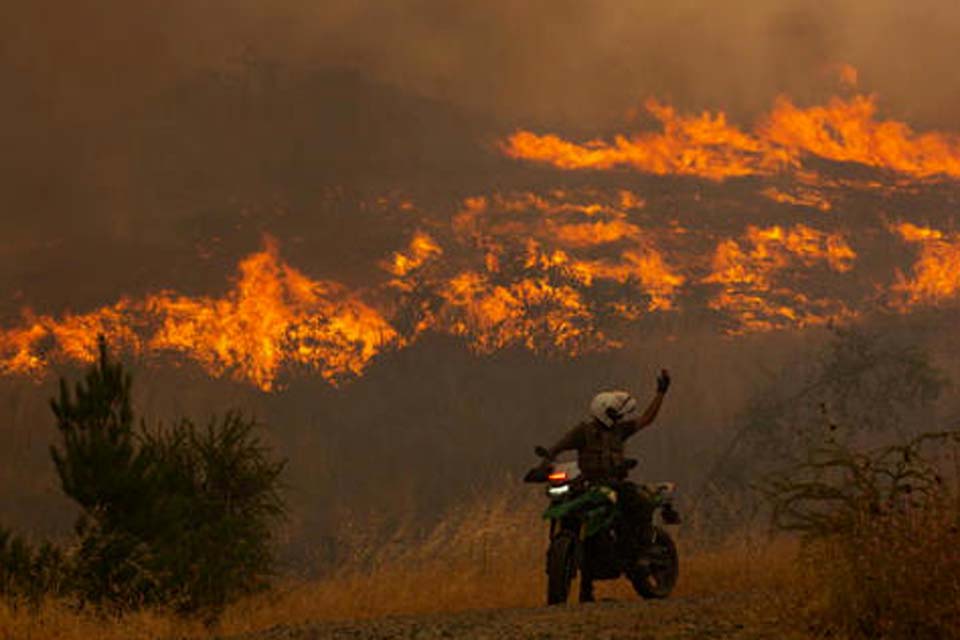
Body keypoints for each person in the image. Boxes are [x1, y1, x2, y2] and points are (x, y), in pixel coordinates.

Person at [542, 369, 671, 602]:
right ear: (604, 412)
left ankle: (642, 552)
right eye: (615, 413)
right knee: (576, 510)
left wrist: (660, 393)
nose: (618, 417)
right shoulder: (583, 431)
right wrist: (544, 463)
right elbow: (559, 446)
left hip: (616, 484)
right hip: (589, 484)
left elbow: (646, 420)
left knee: (638, 501)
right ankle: (585, 587)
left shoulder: (619, 430)